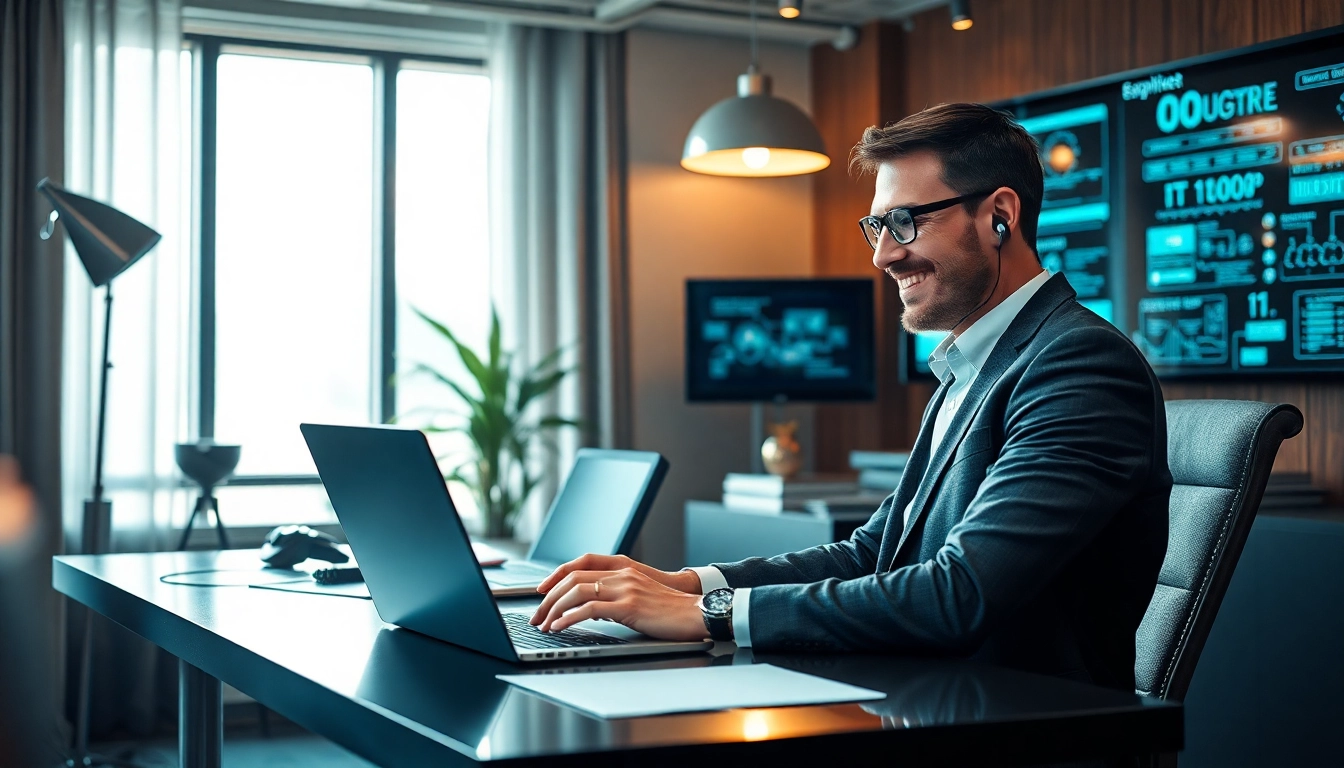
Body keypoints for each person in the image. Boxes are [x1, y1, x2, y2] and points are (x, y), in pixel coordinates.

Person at [531, 103, 1171, 691]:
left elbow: (959, 594)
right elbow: (871, 554)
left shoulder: (1079, 365)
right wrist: (689, 583)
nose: (884, 255)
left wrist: (710, 614)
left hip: (1018, 730)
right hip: (922, 699)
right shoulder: (973, 365)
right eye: (878, 226)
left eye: (905, 222)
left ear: (999, 215)